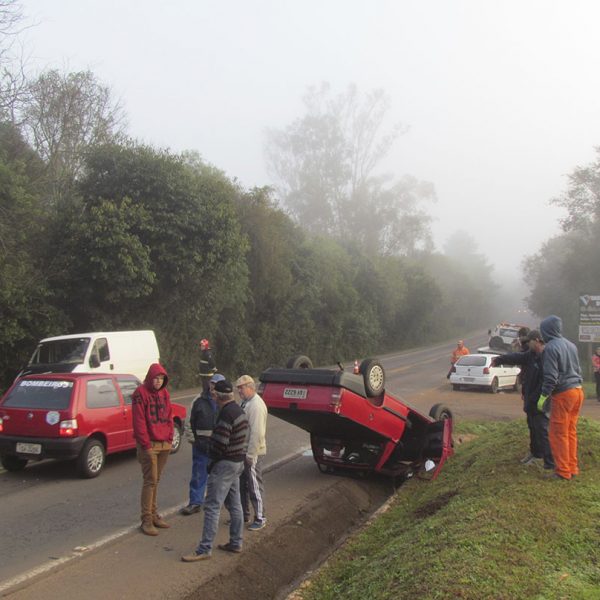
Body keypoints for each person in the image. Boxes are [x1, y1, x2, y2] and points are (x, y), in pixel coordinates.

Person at [182, 379, 249, 561]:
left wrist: (211, 462)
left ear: (217, 396)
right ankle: (236, 541)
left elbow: (220, 443)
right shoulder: (239, 411)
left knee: (212, 506)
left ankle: (204, 549)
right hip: (237, 462)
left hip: (224, 464)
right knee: (235, 505)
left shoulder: (225, 414)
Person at [492, 330, 554, 470]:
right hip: (530, 398)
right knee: (532, 427)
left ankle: (549, 462)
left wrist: (539, 398)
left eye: (529, 341)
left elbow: (548, 380)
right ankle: (535, 453)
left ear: (537, 340)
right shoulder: (531, 355)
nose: (527, 344)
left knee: (542, 430)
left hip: (541, 400)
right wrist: (500, 359)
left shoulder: (547, 356)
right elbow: (517, 357)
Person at [537, 315, 584, 481]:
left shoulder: (550, 348)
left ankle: (563, 472)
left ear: (546, 331)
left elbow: (551, 377)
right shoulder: (571, 345)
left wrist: (543, 396)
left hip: (563, 394)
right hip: (577, 391)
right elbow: (578, 368)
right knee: (571, 431)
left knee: (558, 433)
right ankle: (572, 467)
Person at [132, 363, 173, 536]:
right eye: (156, 378)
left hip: (164, 442)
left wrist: (170, 437)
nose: (158, 382)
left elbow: (169, 415)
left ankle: (154, 514)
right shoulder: (140, 394)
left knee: (156, 480)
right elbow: (139, 421)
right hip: (149, 444)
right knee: (150, 480)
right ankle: (146, 519)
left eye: (161, 379)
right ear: (150, 377)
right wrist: (146, 445)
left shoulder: (164, 393)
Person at [180, 373, 224, 515]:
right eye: (212, 384)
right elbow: (189, 422)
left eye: (217, 385)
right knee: (199, 474)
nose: (213, 387)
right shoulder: (198, 401)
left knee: (219, 476)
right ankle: (195, 502)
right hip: (201, 446)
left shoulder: (225, 401)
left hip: (218, 446)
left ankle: (215, 502)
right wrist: (193, 440)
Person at [236, 374, 268, 531]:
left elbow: (257, 433)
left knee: (254, 485)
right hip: (244, 450)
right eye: (238, 389)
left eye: (241, 388)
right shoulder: (246, 403)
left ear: (250, 387)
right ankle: (244, 514)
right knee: (242, 484)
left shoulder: (256, 405)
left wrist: (251, 454)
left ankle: (260, 517)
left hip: (252, 452)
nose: (239, 391)